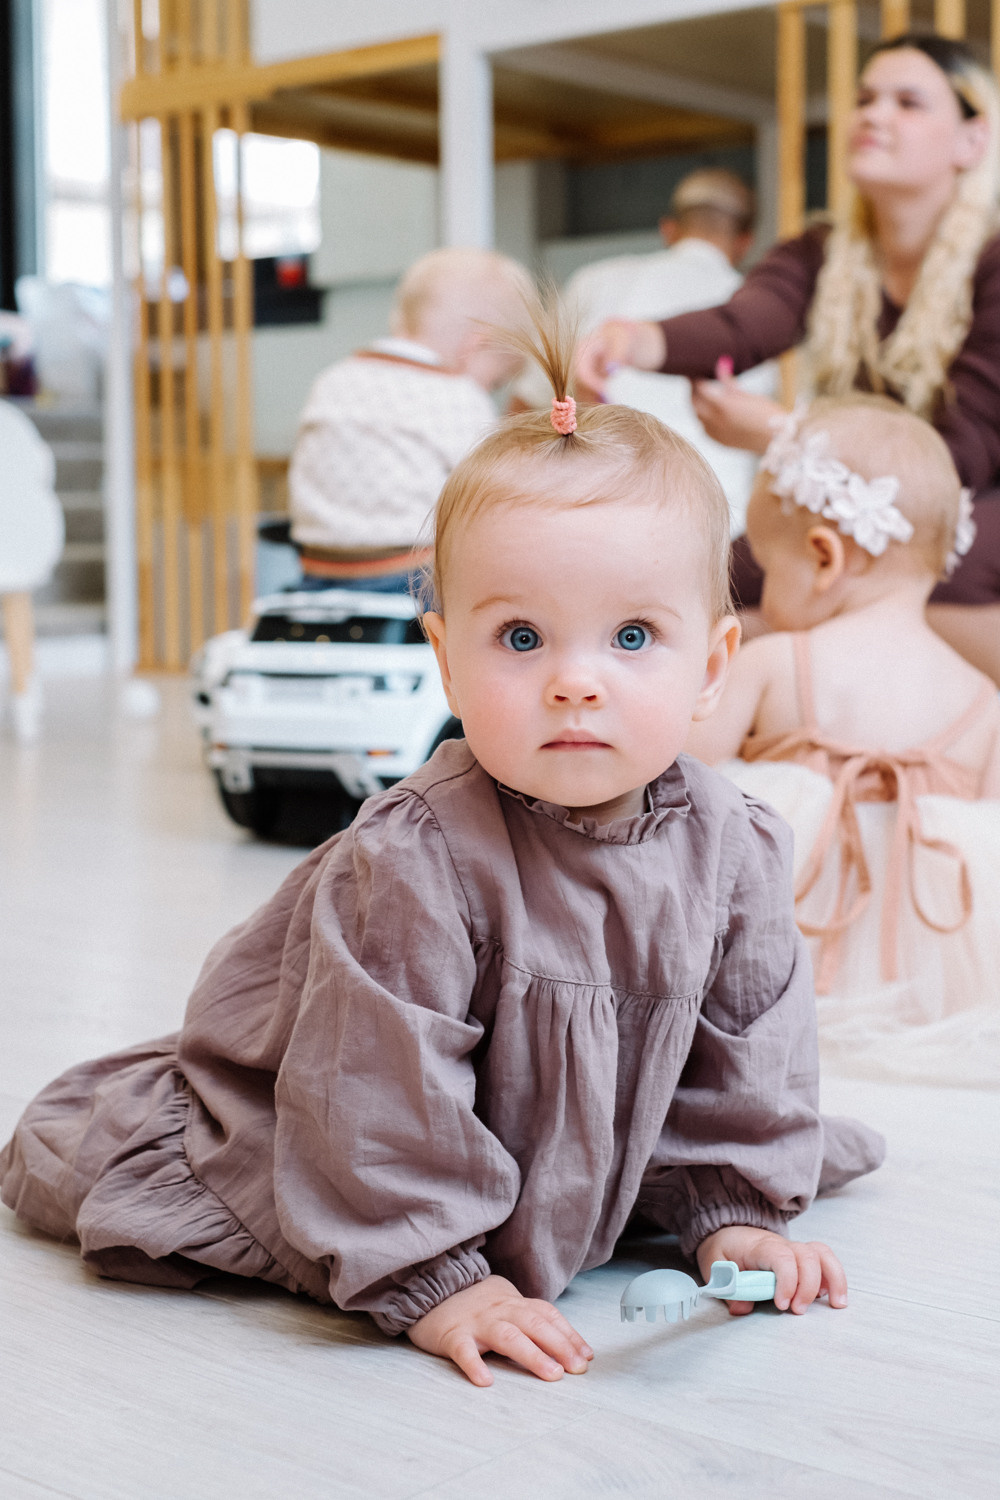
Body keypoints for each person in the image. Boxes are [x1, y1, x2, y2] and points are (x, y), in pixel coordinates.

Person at [0, 312, 884, 1389]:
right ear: (447, 661)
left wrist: (734, 1210)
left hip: (572, 1122)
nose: (575, 681)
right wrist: (437, 1275)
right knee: (136, 1154)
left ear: (712, 663)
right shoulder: (417, 856)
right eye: (520, 638)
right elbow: (372, 1087)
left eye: (632, 637)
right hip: (348, 1123)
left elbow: (749, 1053)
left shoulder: (735, 844)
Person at [577, 33, 1000, 682]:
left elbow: (959, 459)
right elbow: (743, 323)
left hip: (974, 500)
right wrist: (633, 340)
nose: (873, 115)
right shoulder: (821, 251)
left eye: (908, 102)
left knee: (928, 567)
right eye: (865, 98)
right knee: (715, 575)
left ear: (973, 140)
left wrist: (787, 436)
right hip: (860, 497)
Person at [687, 395, 1000, 1088]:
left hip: (776, 971)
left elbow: (675, 784)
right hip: (931, 990)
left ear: (823, 558)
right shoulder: (985, 701)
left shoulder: (775, 662)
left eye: (770, 568)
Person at [514, 168, 775, 535]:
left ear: (668, 228)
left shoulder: (596, 281)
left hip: (595, 510)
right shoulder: (762, 311)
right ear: (746, 241)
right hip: (716, 524)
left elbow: (525, 406)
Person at [288, 247, 531, 593]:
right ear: (474, 347)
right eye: (495, 383)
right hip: (410, 575)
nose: (488, 392)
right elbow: (494, 494)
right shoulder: (457, 394)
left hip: (318, 569)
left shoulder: (332, 379)